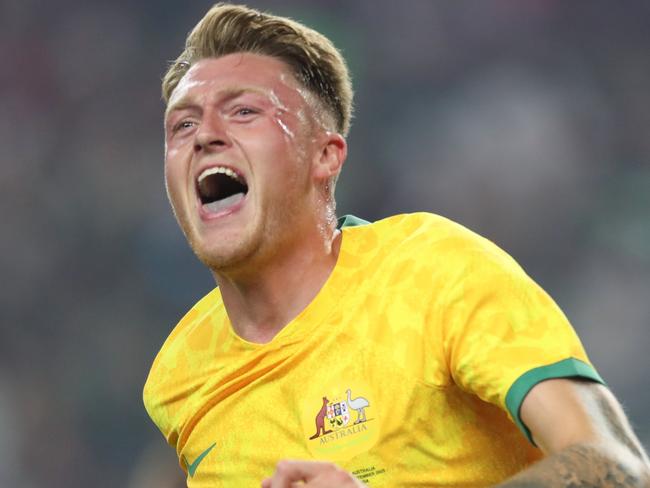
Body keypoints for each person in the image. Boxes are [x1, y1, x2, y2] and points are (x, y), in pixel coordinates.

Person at [143, 3, 650, 487]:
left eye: (244, 111)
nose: (204, 134)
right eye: (182, 124)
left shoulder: (433, 272)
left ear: (325, 156)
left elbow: (616, 468)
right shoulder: (179, 376)